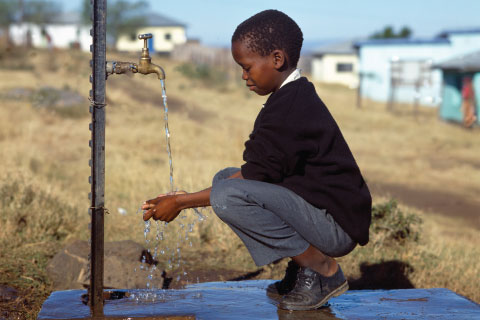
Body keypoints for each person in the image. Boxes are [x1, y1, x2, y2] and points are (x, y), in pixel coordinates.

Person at [142, 10, 371, 311]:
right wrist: (187, 197)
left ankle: (322, 270)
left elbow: (251, 180)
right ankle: (304, 267)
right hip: (320, 212)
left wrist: (183, 202)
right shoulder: (290, 97)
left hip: (335, 226)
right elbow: (260, 171)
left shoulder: (291, 108)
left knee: (226, 195)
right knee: (225, 179)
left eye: (247, 67)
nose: (243, 76)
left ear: (277, 59)